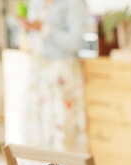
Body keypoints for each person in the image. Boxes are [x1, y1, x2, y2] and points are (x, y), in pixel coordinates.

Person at [18, 0, 89, 152]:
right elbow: (34, 40)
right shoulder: (35, 3)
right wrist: (29, 29)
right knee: (37, 129)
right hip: (38, 72)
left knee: (64, 129)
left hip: (62, 72)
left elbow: (76, 42)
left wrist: (45, 29)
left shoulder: (74, 3)